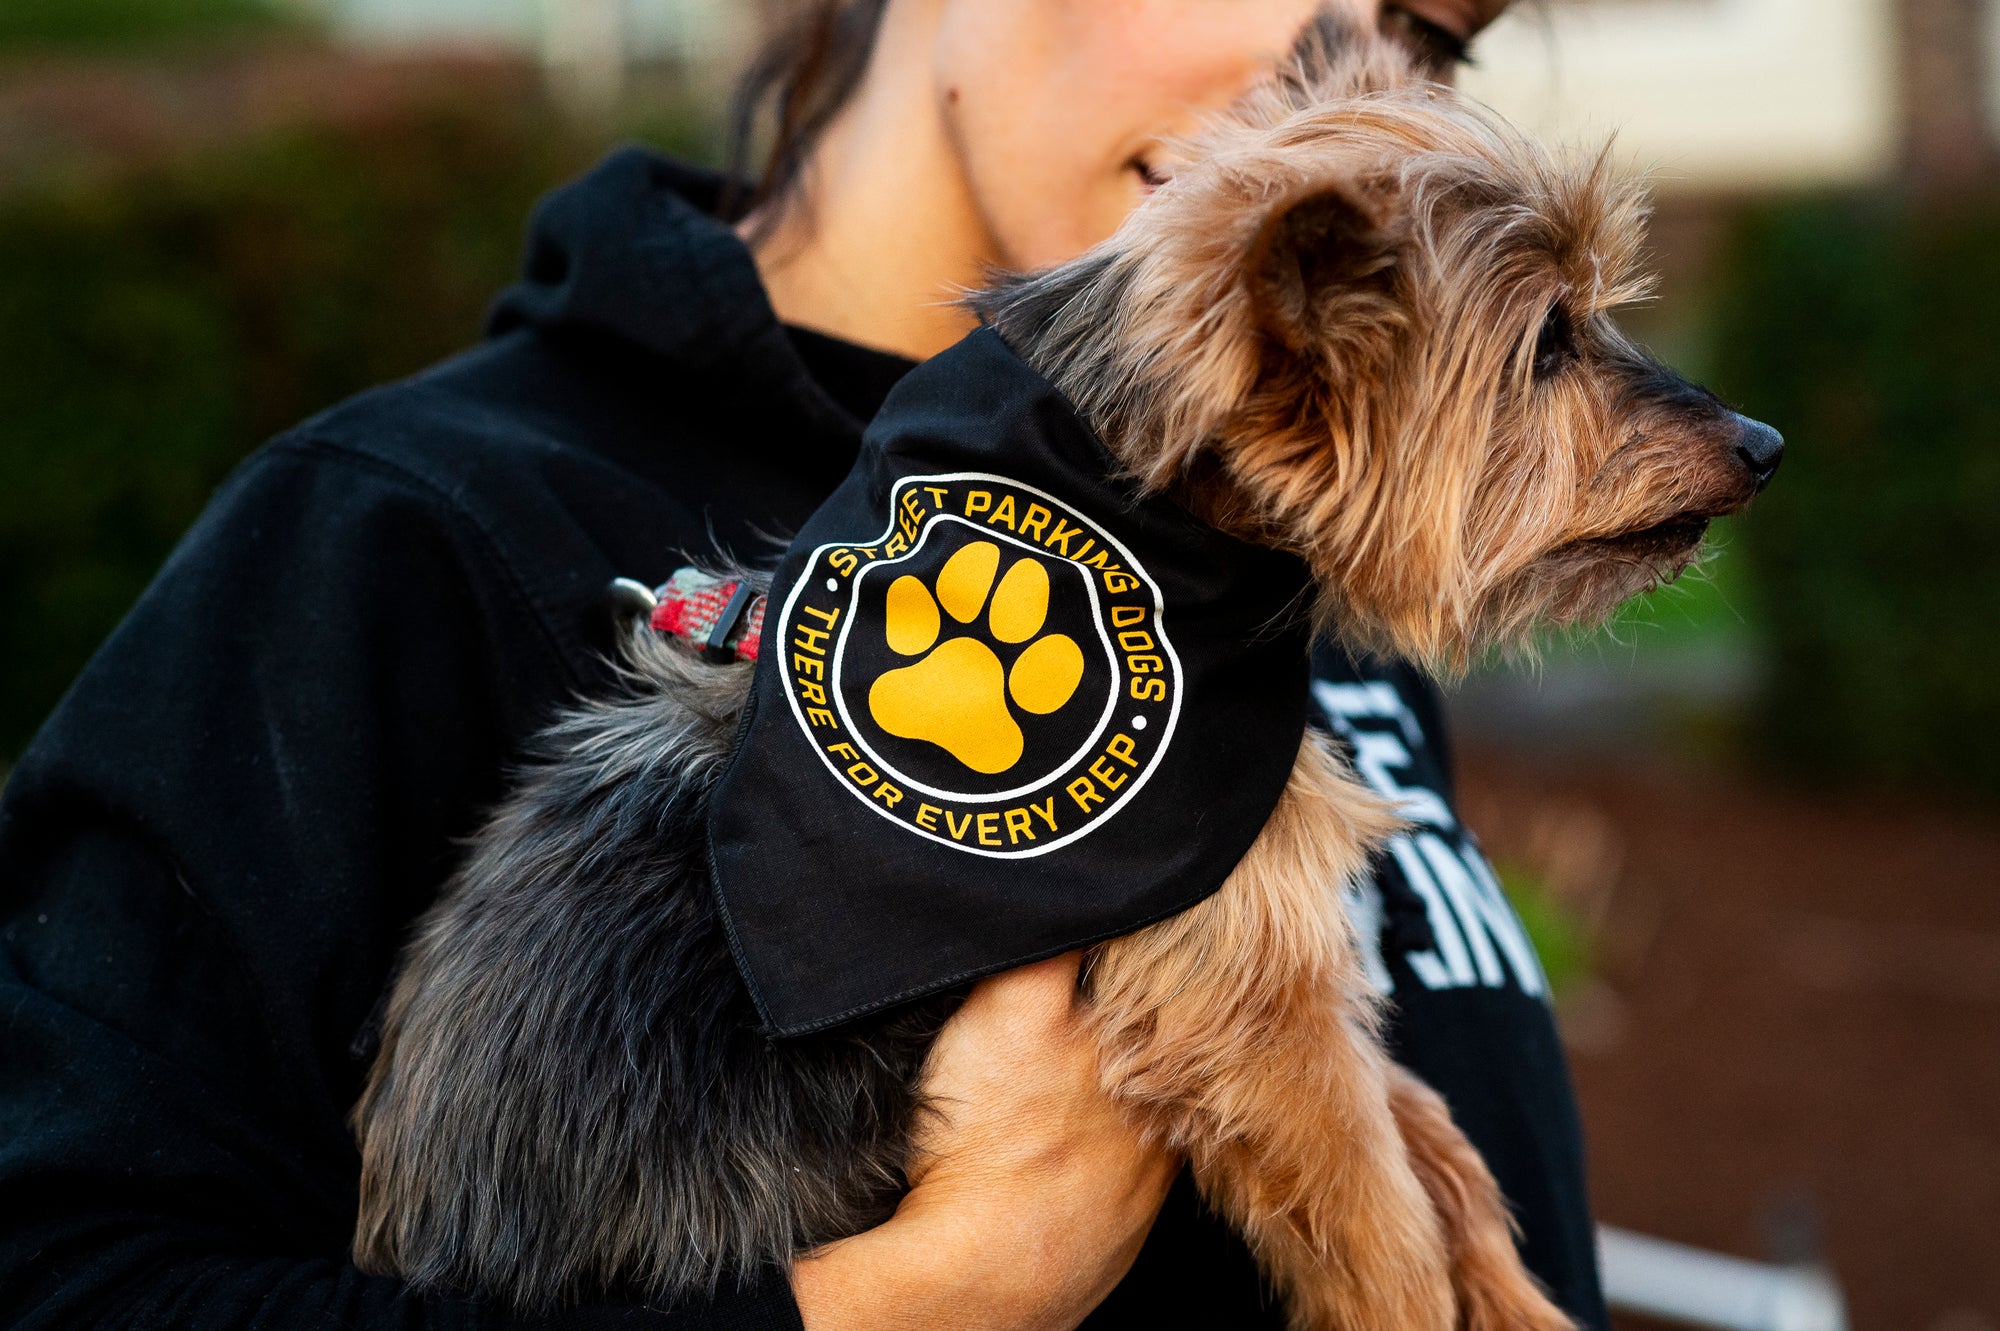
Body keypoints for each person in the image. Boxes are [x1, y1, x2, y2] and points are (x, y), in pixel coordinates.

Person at [0, 0, 1607, 1327]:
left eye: (1430, 38)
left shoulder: (1282, 570)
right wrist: (916, 1298)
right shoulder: (391, 540)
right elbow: (71, 1283)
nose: (1360, 93)